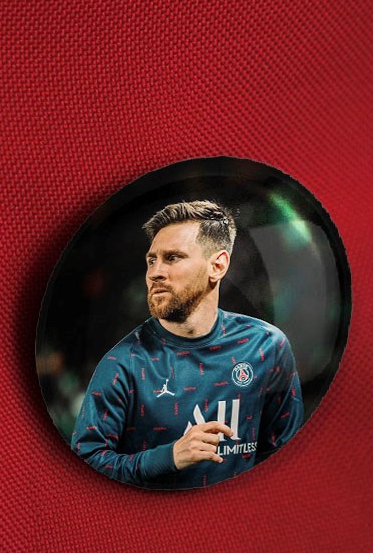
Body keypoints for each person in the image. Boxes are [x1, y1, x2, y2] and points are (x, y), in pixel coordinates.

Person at [71, 200, 303, 489]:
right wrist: (168, 457)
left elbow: (288, 459)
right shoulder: (122, 365)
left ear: (217, 266)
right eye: (152, 260)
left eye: (172, 258)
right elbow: (84, 470)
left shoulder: (266, 346)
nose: (155, 272)